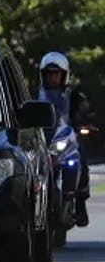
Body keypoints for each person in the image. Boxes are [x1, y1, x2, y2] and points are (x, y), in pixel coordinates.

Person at [38, 52, 91, 226]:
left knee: (80, 158)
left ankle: (81, 204)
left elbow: (85, 111)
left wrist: (84, 123)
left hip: (66, 137)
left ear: (64, 75)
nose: (53, 77)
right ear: (43, 75)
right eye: (49, 73)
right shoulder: (35, 96)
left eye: (57, 73)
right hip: (43, 139)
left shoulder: (74, 96)